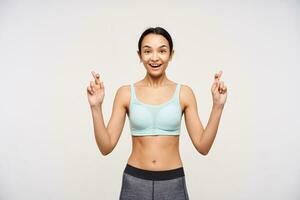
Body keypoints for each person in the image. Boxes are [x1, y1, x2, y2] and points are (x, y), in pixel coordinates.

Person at [86, 26, 227, 200]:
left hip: (173, 181)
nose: (154, 57)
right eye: (147, 51)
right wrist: (96, 106)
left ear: (171, 55)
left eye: (162, 51)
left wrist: (217, 106)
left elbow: (203, 146)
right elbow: (105, 147)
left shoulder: (184, 93)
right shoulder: (125, 93)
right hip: (135, 181)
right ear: (140, 56)